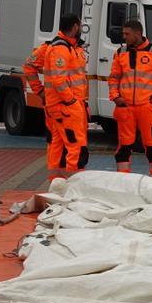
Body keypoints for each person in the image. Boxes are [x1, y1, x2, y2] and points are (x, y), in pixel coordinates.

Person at [108, 19, 152, 178]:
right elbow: (113, 78)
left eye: (127, 34)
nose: (124, 37)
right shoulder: (120, 53)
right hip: (125, 108)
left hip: (147, 108)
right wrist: (116, 97)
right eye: (123, 34)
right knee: (124, 147)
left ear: (138, 33)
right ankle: (123, 180)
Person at [42, 13, 90, 181]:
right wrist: (71, 100)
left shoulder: (69, 47)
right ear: (75, 27)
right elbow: (59, 80)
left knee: (58, 144)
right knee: (76, 146)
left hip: (63, 105)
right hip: (66, 106)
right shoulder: (61, 48)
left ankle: (56, 182)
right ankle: (73, 184)